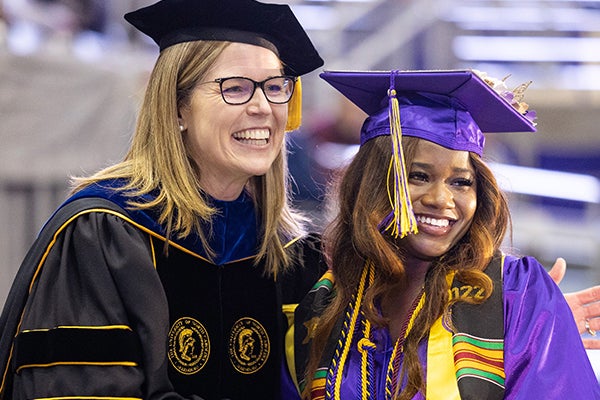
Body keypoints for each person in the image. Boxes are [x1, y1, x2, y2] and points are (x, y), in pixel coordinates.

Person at [0, 0, 326, 398]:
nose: (262, 107)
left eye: (275, 88)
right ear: (176, 109)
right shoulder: (105, 233)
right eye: (235, 88)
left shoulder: (289, 250)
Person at [284, 69, 600, 399]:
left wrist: (533, 320)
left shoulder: (517, 296)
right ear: (372, 184)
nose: (441, 199)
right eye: (418, 176)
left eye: (460, 182)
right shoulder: (325, 303)